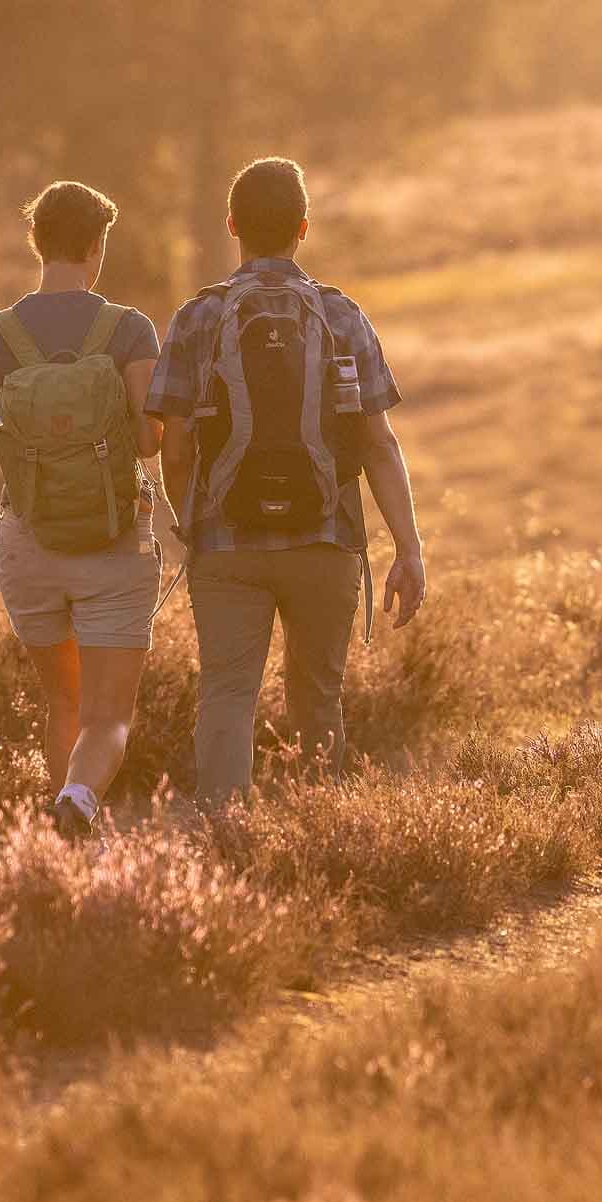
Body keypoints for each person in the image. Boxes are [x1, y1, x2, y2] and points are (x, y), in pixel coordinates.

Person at [155, 157, 427, 805]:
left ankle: (227, 841)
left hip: (227, 545)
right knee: (318, 698)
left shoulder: (198, 318)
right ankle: (316, 831)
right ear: (304, 226)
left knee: (226, 693)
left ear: (231, 226)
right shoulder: (341, 317)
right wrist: (409, 549)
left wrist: (192, 518)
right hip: (326, 537)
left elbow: (174, 447)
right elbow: (378, 443)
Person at [0, 181, 168, 839]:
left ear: (37, 243)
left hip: (28, 544)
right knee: (108, 716)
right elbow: (149, 439)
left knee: (64, 700)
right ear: (94, 246)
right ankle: (79, 799)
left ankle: (62, 853)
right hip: (112, 542)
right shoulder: (130, 329)